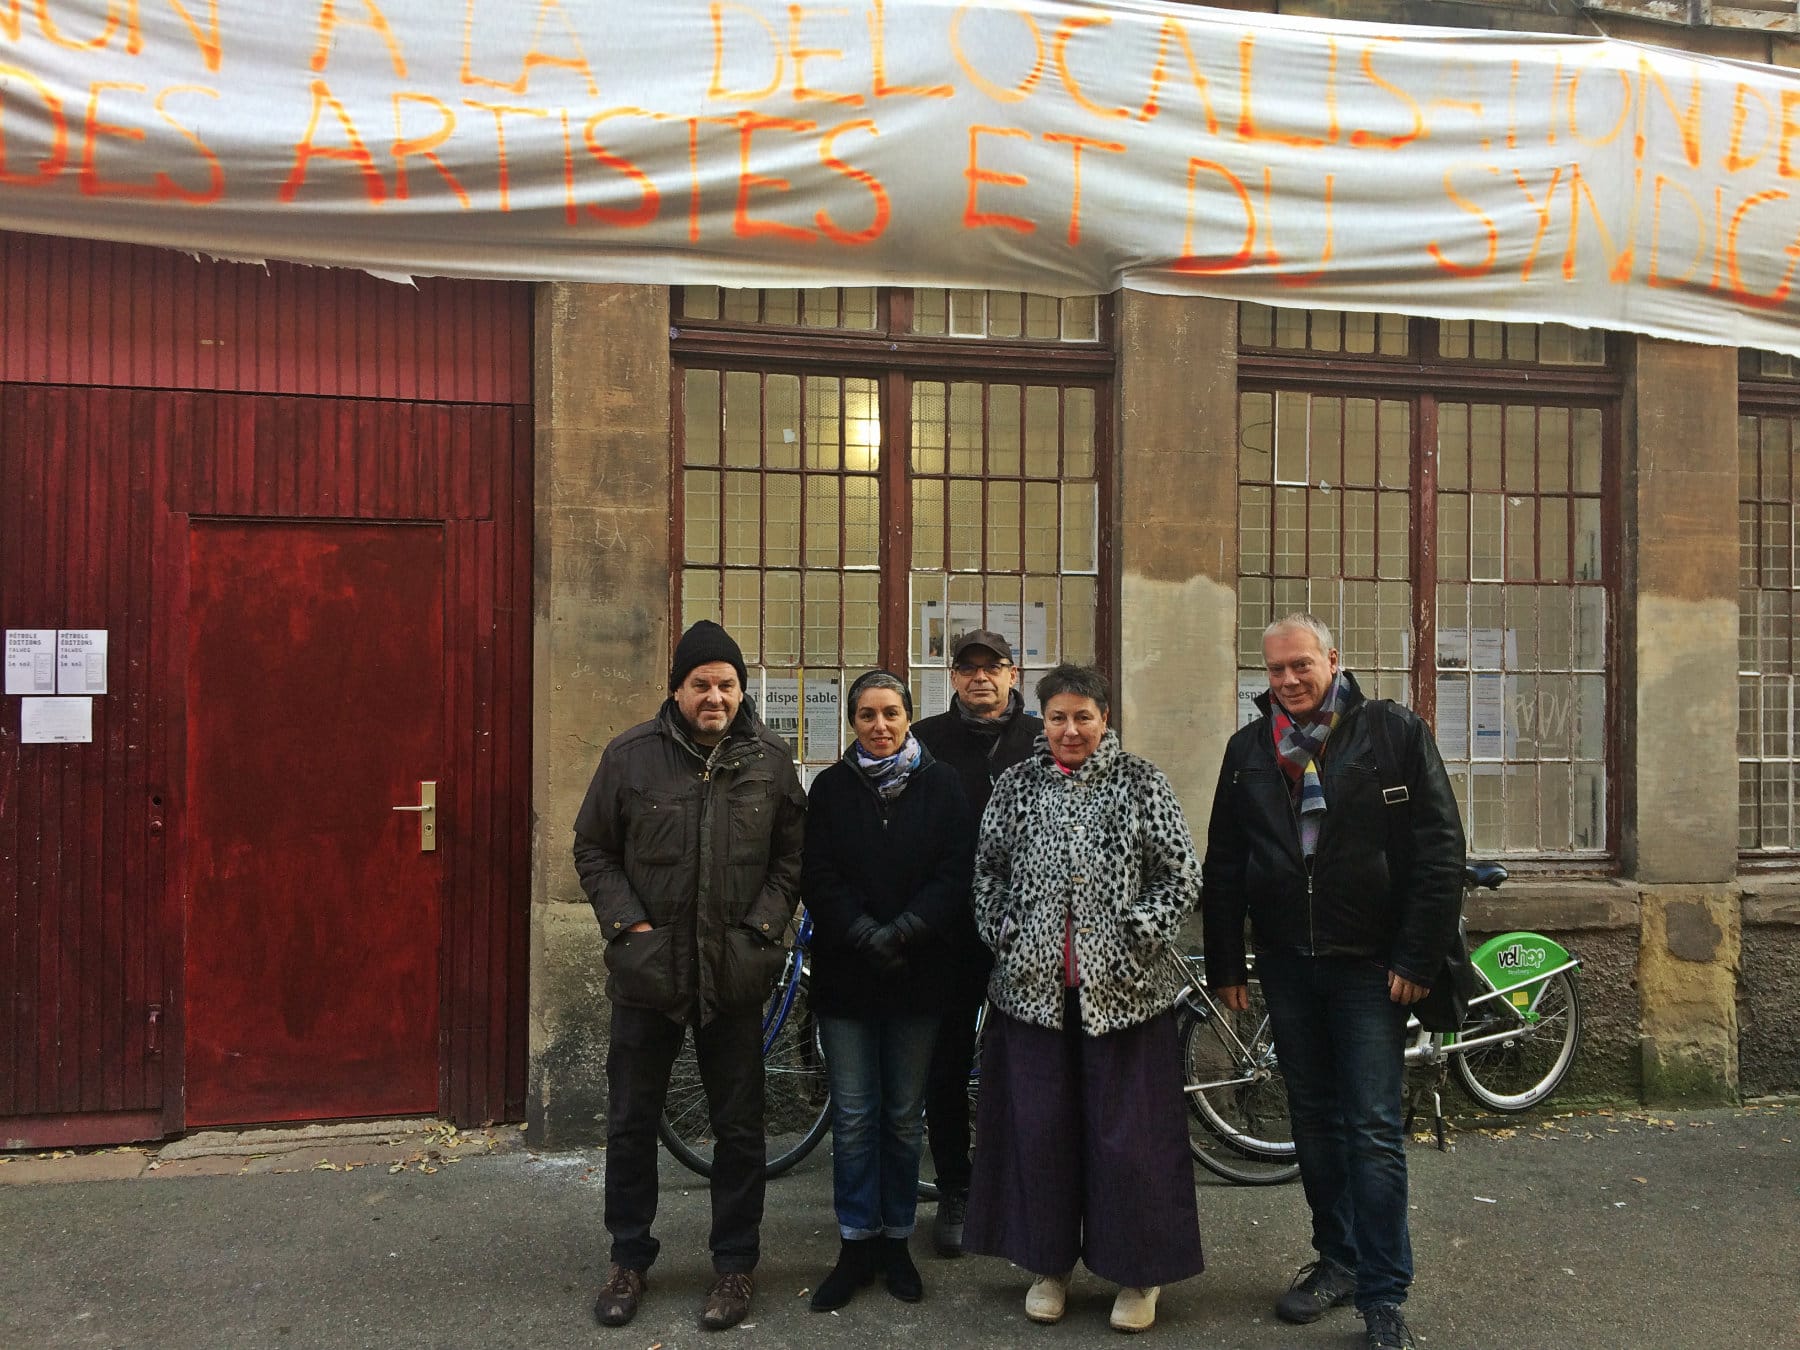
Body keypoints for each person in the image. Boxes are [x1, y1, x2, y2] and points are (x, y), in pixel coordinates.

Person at [1200, 614, 1465, 1350]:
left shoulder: (1391, 733)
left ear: (1332, 660)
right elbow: (1225, 864)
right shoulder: (1250, 750)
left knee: (1372, 1129)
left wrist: (1415, 957)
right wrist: (1227, 963)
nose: (1288, 680)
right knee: (1312, 1124)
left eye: (1301, 665)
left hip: (1370, 969)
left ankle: (1384, 1294)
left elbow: (1441, 850)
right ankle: (1338, 1259)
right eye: (1276, 670)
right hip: (1287, 963)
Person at [572, 620, 805, 1333]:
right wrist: (629, 930)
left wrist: (760, 933)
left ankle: (734, 1266)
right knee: (631, 1124)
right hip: (649, 980)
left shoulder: (769, 760)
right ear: (676, 689)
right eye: (701, 683)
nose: (715, 695)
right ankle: (628, 1258)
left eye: (727, 684)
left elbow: (791, 859)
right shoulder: (630, 758)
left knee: (739, 1131)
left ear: (741, 690)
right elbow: (593, 849)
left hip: (732, 980)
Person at [963, 663, 1204, 1334]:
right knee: (1042, 1134)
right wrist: (1006, 934)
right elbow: (987, 872)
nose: (1071, 730)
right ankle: (1049, 1266)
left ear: (1104, 719)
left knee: (1131, 1142)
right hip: (1033, 997)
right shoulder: (1017, 786)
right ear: (1043, 721)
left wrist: (1137, 937)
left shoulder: (1140, 782)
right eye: (1059, 717)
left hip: (1124, 996)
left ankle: (1138, 1274)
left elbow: (1180, 874)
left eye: (1084, 717)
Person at [801, 671, 977, 1312]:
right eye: (868, 715)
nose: (880, 725)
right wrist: (858, 931)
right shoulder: (829, 788)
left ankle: (897, 1239)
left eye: (892, 713)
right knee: (852, 1118)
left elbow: (956, 870)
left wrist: (903, 931)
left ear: (909, 718)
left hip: (920, 974)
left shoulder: (943, 784)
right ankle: (855, 1242)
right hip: (848, 977)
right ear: (853, 722)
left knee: (903, 1118)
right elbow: (815, 871)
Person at [909, 629, 1039, 1257]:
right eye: (968, 669)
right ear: (953, 677)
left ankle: (1023, 1185)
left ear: (1014, 675)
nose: (981, 678)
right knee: (948, 1057)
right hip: (950, 925)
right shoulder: (927, 741)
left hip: (1030, 926)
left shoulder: (1045, 736)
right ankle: (956, 1188)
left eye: (995, 668)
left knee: (1027, 1059)